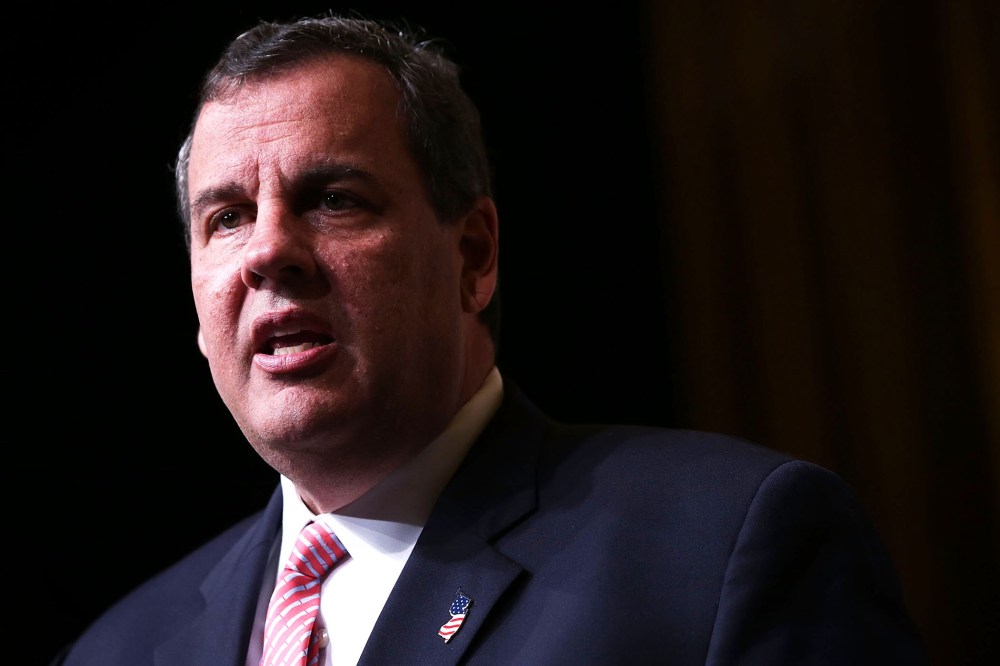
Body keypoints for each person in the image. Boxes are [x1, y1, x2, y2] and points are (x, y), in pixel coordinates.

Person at [51, 13, 928, 666]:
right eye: (228, 218)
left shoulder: (727, 548)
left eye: (335, 199)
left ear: (473, 255)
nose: (270, 251)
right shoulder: (116, 650)